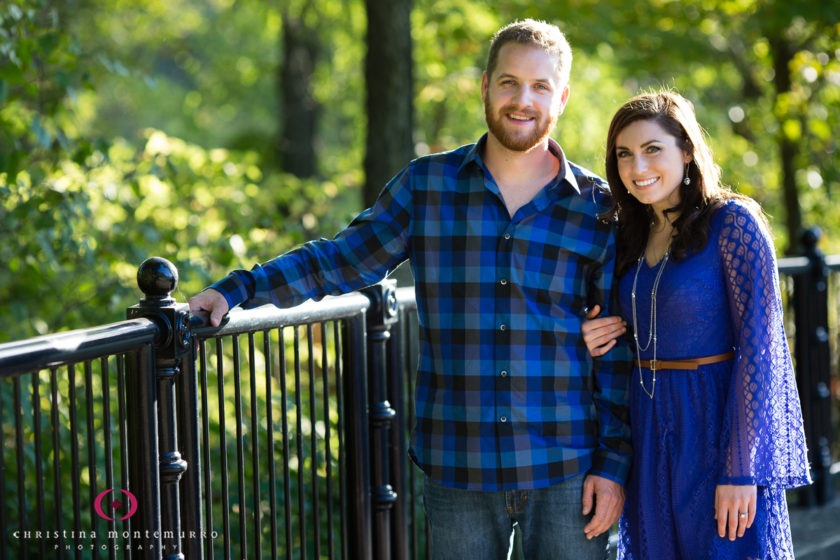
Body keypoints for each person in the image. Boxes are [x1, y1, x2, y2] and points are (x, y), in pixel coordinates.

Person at [190, 19, 632, 560]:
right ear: (486, 86)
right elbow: (341, 260)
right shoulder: (428, 185)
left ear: (561, 97)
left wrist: (613, 467)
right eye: (509, 82)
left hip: (567, 469)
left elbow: (616, 351)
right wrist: (238, 289)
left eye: (540, 87)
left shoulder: (597, 208)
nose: (523, 100)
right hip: (457, 466)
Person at [580, 90, 811, 559]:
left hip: (714, 425)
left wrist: (740, 469)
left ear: (686, 150)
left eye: (652, 149)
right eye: (624, 154)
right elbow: (628, 324)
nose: (636, 166)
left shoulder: (733, 223)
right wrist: (589, 333)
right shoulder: (628, 232)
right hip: (646, 427)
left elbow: (760, 350)